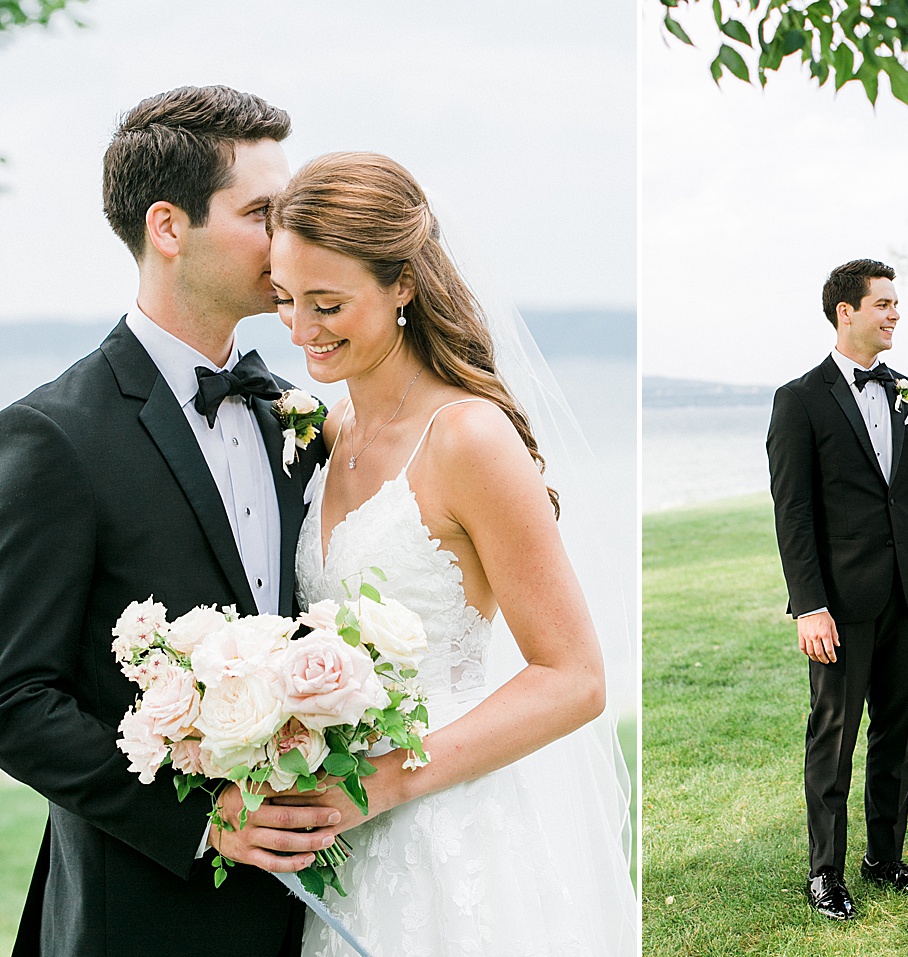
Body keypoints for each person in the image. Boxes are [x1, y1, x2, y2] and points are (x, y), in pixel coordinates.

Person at [264, 152, 637, 956]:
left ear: (403, 283)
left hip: (454, 832)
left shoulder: (466, 438)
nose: (300, 330)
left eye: (327, 303)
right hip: (345, 833)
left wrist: (387, 780)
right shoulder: (330, 431)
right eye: (285, 300)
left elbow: (574, 678)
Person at [0, 86, 338, 957]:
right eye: (263, 212)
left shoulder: (292, 414)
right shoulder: (55, 435)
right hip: (140, 914)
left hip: (308, 907)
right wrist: (205, 818)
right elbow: (14, 698)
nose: (288, 240)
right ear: (167, 226)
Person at [765, 259, 908, 921]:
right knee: (835, 733)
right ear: (845, 311)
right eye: (883, 304)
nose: (894, 314)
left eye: (896, 304)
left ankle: (885, 858)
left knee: (898, 733)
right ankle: (825, 872)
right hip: (840, 603)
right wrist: (810, 604)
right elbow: (792, 513)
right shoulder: (799, 399)